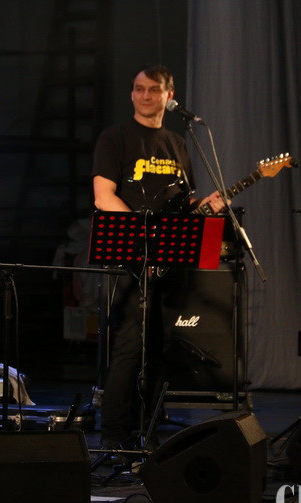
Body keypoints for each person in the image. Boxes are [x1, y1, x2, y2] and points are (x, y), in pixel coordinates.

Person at [92, 64, 227, 450]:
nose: (144, 95)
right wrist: (142, 237)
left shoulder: (178, 144)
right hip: (130, 258)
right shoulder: (115, 137)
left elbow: (184, 204)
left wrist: (207, 205)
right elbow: (103, 196)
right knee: (128, 346)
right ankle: (114, 436)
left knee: (160, 346)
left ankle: (148, 431)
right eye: (138, 89)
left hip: (169, 260)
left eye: (153, 89)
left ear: (170, 96)